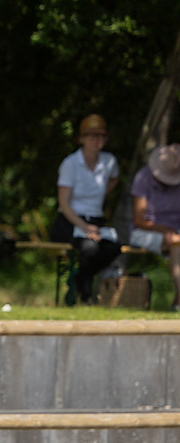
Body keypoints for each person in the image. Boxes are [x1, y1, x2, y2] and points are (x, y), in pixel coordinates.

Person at [50, 114, 121, 305]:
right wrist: (85, 227)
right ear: (82, 139)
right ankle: (84, 289)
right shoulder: (70, 164)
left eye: (100, 136)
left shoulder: (109, 161)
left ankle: (78, 279)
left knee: (114, 248)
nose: (96, 140)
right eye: (91, 135)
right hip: (70, 220)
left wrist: (102, 193)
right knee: (90, 249)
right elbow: (64, 204)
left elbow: (114, 178)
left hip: (96, 219)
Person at [130, 144, 180, 312]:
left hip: (175, 232)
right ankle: (179, 301)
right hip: (146, 231)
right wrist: (165, 230)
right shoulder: (143, 177)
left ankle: (177, 301)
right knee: (176, 243)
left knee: (176, 241)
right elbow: (139, 220)